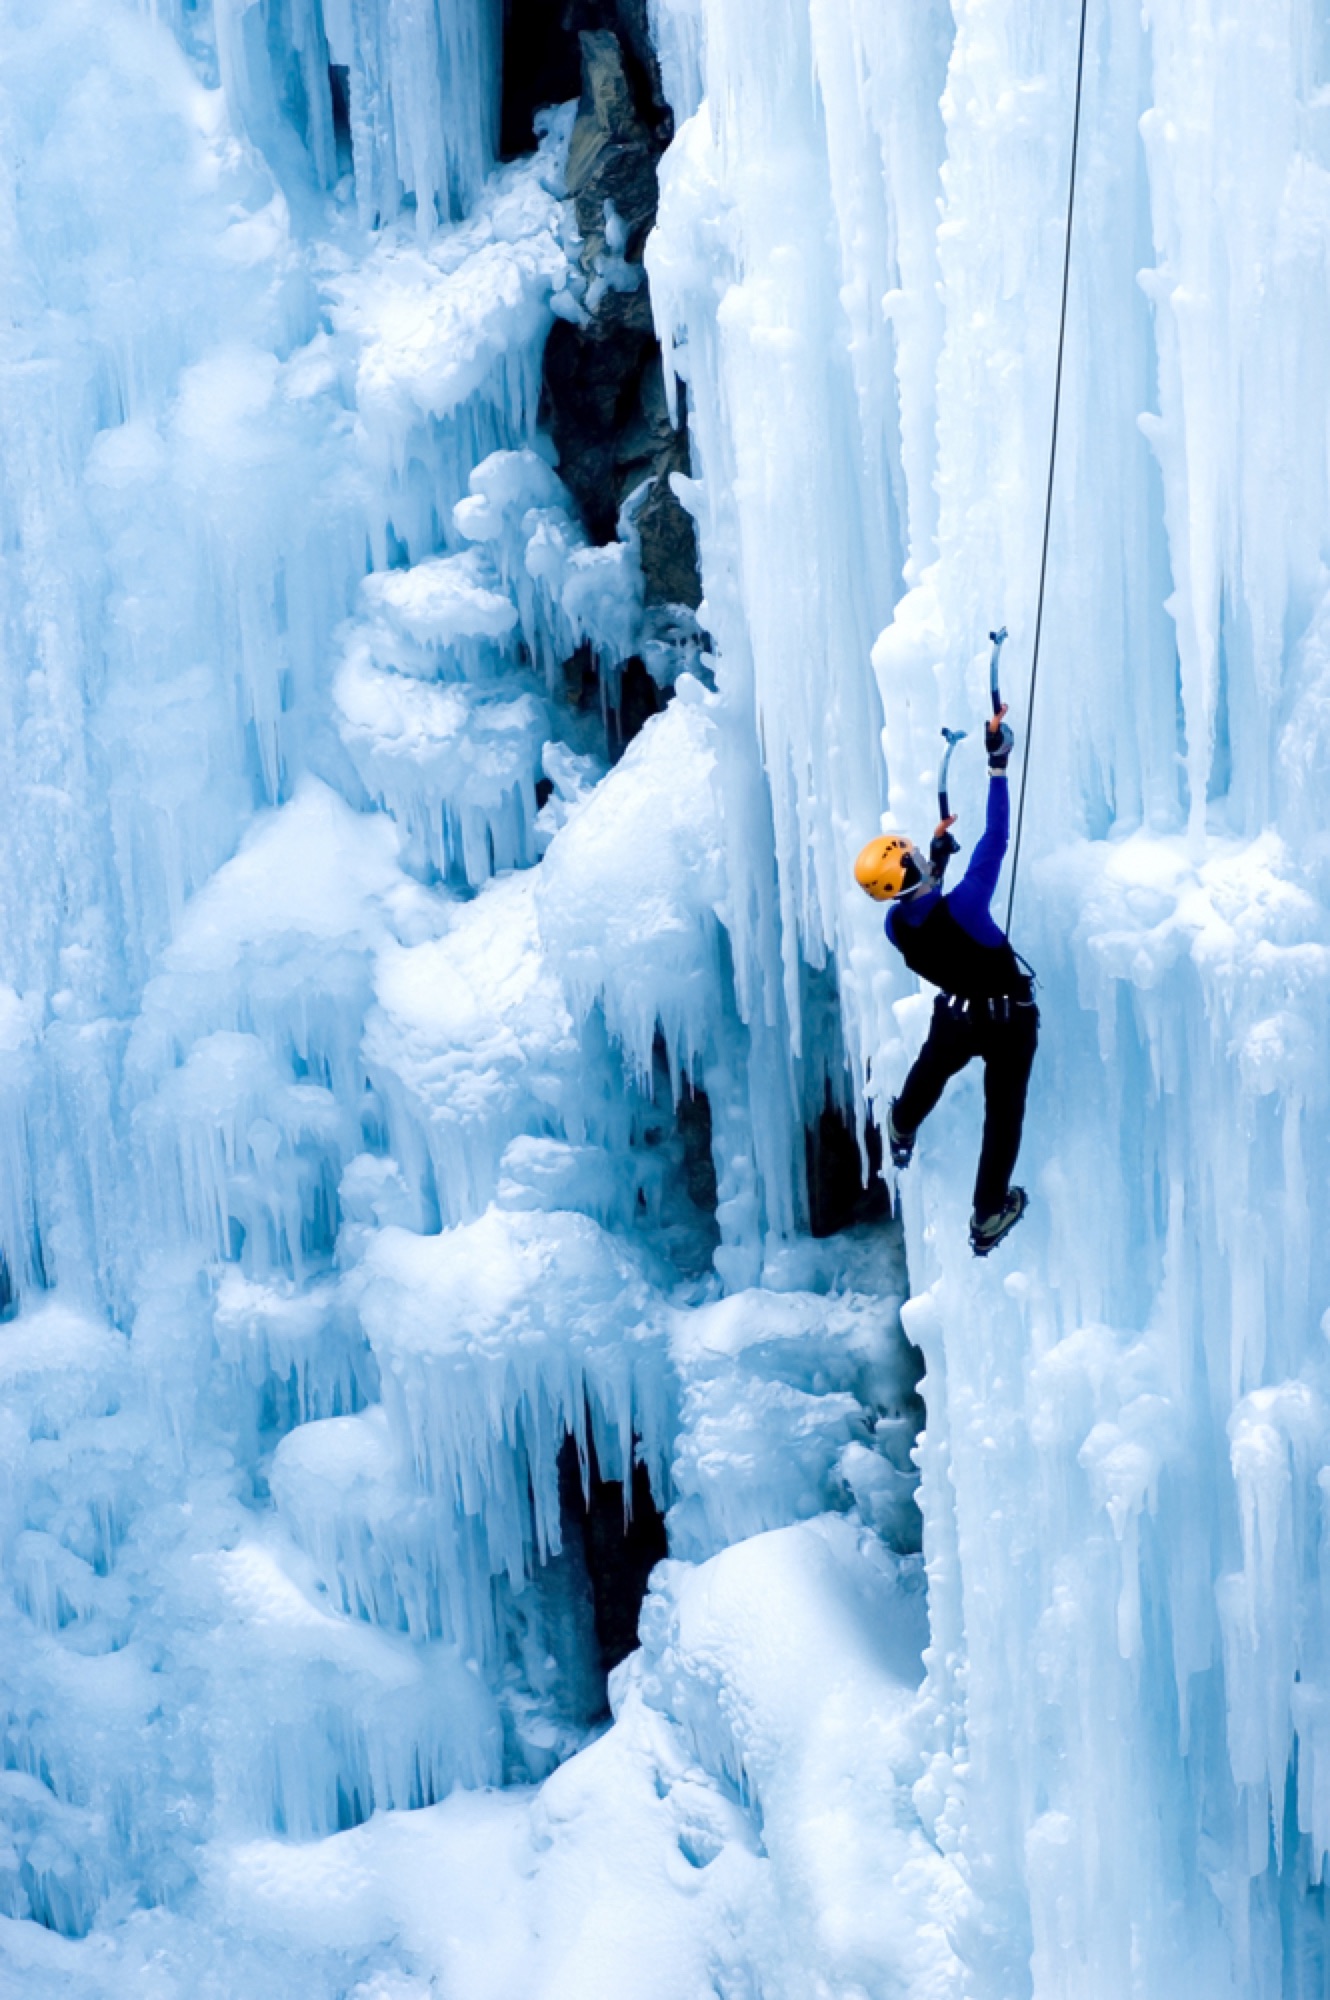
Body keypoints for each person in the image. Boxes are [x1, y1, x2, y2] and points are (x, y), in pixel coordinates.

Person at [853, 707, 1038, 1256]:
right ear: (911, 872)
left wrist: (932, 864)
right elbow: (996, 839)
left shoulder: (895, 925)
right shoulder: (970, 905)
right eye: (909, 853)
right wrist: (997, 765)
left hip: (957, 1018)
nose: (914, 849)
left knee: (930, 1071)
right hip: (1009, 1020)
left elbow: (924, 908)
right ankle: (986, 1212)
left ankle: (902, 1126)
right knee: (1003, 1115)